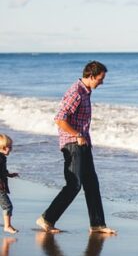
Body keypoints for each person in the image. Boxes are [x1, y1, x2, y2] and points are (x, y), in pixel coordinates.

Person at [36, 61, 116, 234]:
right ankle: (47, 219)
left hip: (83, 143)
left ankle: (97, 225)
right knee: (74, 184)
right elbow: (59, 119)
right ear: (91, 76)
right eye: (100, 79)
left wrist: (84, 138)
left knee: (92, 184)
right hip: (72, 144)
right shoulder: (76, 92)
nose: (102, 82)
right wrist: (77, 135)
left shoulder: (86, 92)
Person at [0, 134, 19, 234]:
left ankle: (8, 225)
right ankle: (7, 226)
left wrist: (9, 175)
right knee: (7, 206)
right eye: (9, 147)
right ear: (3, 147)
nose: (11, 149)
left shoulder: (2, 157)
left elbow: (2, 171)